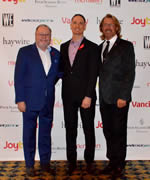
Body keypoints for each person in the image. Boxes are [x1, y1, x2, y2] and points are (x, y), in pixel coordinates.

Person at [14, 24, 62, 176]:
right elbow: (19, 78)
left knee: (45, 134)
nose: (44, 37)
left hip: (47, 101)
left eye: (47, 34)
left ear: (50, 36)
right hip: (28, 101)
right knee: (29, 134)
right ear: (35, 35)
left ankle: (45, 164)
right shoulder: (25, 52)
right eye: (41, 34)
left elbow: (56, 75)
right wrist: (20, 99)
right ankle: (29, 165)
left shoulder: (56, 53)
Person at [60, 14, 99, 175]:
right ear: (70, 25)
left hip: (86, 97)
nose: (77, 26)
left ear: (85, 26)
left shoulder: (93, 47)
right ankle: (72, 162)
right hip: (68, 96)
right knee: (70, 130)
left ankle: (89, 162)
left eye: (80, 23)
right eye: (74, 23)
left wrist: (88, 95)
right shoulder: (63, 46)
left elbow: (93, 73)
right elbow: (62, 71)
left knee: (89, 129)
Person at [98, 14, 135, 177]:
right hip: (104, 98)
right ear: (101, 28)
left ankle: (120, 164)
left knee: (119, 131)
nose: (108, 27)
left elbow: (130, 73)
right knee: (108, 131)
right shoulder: (100, 47)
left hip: (119, 98)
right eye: (105, 24)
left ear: (116, 27)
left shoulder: (126, 46)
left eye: (111, 24)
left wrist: (124, 96)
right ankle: (112, 161)